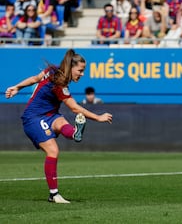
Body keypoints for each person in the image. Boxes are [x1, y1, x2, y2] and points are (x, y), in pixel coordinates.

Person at [5, 49, 113, 203]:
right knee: (53, 150)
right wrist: (98, 117)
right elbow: (75, 108)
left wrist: (17, 87)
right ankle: (54, 194)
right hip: (33, 118)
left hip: (50, 115)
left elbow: (35, 78)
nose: (82, 74)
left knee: (61, 121)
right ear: (71, 67)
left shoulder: (53, 70)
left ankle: (75, 133)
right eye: (80, 70)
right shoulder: (60, 84)